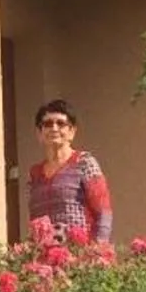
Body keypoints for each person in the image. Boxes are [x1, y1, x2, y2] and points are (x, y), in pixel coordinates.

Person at [25, 98, 113, 245]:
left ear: (71, 131)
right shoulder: (34, 174)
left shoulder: (84, 163)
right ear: (39, 133)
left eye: (61, 123)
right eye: (47, 124)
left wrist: (98, 250)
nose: (54, 128)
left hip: (79, 257)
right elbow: (34, 220)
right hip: (44, 260)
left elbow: (103, 212)